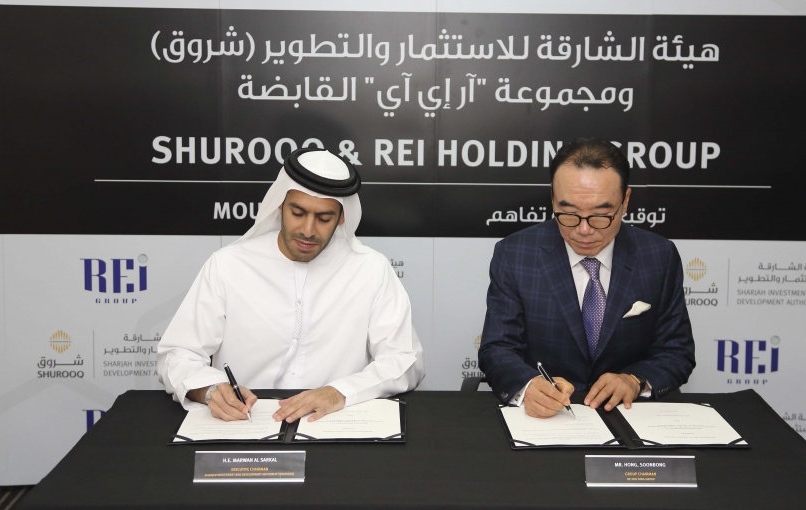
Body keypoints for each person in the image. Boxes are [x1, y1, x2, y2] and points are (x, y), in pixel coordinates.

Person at [157, 148, 424, 423]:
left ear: (342, 217)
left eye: (324, 219)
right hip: (245, 424)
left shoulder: (371, 269)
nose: (308, 230)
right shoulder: (228, 264)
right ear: (280, 206)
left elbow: (405, 360)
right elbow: (178, 354)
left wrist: (340, 392)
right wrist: (209, 389)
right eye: (297, 213)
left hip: (334, 424)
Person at [478, 138, 694, 418]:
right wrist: (529, 385)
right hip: (548, 418)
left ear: (625, 201)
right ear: (552, 198)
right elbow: (497, 348)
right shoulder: (515, 254)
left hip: (628, 414)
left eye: (601, 215)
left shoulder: (658, 256)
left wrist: (634, 380)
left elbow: (676, 352)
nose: (583, 230)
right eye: (568, 214)